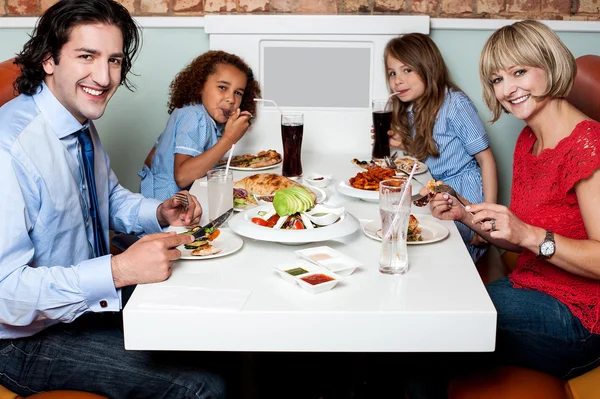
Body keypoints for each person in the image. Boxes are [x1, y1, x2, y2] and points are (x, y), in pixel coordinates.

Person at [0, 1, 227, 397]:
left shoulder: (75, 119)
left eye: (115, 60)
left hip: (80, 305)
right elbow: (6, 294)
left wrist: (157, 211)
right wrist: (119, 270)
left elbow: (106, 198)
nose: (104, 77)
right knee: (202, 385)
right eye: (86, 56)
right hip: (21, 339)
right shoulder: (11, 149)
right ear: (49, 59)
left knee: (215, 325)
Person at [425, 19, 600, 396]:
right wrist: (465, 213)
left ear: (550, 65)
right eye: (496, 80)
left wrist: (530, 234)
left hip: (581, 321)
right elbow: (518, 242)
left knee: (435, 326)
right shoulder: (529, 139)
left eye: (519, 72)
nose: (507, 89)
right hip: (530, 288)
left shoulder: (588, 145)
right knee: (431, 322)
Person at [382, 33, 498, 262]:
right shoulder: (415, 108)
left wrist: (487, 220)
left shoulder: (455, 104)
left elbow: (487, 160)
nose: (397, 80)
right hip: (437, 193)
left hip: (466, 196)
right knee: (397, 220)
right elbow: (438, 149)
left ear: (428, 67)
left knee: (419, 239)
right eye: (392, 73)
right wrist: (404, 142)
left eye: (407, 70)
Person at [138, 50, 261, 201]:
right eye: (222, 87)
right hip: (167, 207)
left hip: (159, 200)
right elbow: (182, 177)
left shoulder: (193, 114)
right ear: (200, 86)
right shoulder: (195, 116)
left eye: (238, 93)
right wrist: (229, 139)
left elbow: (151, 159)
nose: (231, 99)